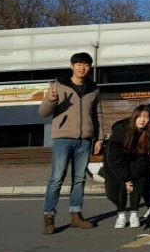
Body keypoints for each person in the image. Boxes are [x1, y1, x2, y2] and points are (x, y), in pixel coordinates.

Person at [40, 52, 103, 235]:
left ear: (90, 67)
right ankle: (49, 217)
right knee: (56, 178)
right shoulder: (58, 85)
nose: (82, 68)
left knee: (79, 179)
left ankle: (76, 215)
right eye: (79, 64)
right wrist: (52, 101)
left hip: (84, 140)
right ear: (72, 66)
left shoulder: (93, 89)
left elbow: (97, 115)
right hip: (63, 138)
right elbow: (43, 112)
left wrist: (99, 137)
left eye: (86, 64)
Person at [105, 105, 150, 229]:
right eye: (139, 116)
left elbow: (143, 157)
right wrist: (126, 178)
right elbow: (115, 157)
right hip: (116, 163)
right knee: (118, 185)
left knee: (138, 180)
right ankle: (121, 214)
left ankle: (134, 213)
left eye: (146, 117)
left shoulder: (148, 133)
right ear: (134, 117)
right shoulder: (121, 130)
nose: (142, 120)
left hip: (136, 163)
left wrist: (133, 175)